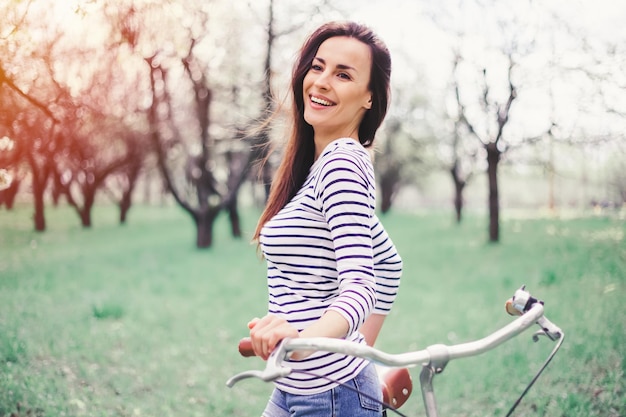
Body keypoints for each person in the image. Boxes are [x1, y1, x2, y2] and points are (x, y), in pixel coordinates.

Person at [248, 20, 403, 417]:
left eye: (343, 74)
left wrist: (301, 341)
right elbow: (388, 263)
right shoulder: (318, 167)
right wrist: (358, 353)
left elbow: (360, 288)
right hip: (302, 386)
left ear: (369, 98)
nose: (321, 82)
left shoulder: (342, 164)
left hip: (332, 397)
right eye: (317, 67)